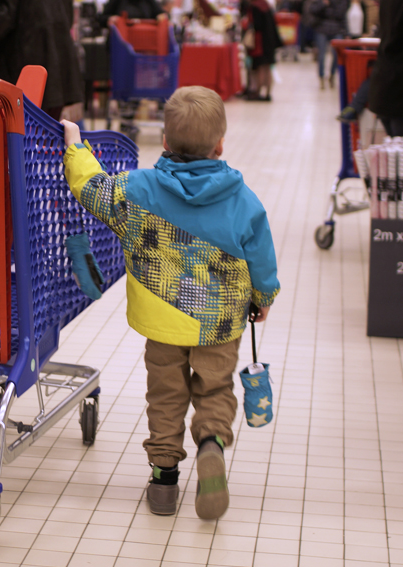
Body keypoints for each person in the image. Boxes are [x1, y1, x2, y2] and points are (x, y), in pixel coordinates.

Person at [61, 86, 280, 520]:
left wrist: (76, 146)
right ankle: (212, 443)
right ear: (220, 144)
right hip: (219, 323)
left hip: (162, 321)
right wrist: (263, 297)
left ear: (163, 141)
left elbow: (91, 188)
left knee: (165, 394)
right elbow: (261, 258)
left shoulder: (137, 189)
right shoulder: (243, 201)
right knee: (214, 387)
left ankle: (163, 479)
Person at [0, 0, 83, 120]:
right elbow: (69, 16)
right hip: (57, 67)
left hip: (23, 69)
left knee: (19, 132)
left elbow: (0, 21)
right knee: (46, 131)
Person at [367, 0, 403, 137]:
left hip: (390, 66)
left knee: (391, 116)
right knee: (392, 117)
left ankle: (400, 154)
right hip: (398, 65)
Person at [243, 0, 283, 101]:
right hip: (270, 42)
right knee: (268, 67)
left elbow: (257, 25)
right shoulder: (266, 6)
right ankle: (268, 93)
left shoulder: (255, 7)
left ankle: (258, 92)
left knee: (260, 67)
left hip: (260, 42)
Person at [309, 0, 348, 89]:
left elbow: (341, 14)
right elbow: (313, 10)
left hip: (336, 29)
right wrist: (323, 4)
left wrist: (346, 32)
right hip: (321, 29)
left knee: (336, 55)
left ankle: (332, 74)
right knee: (321, 55)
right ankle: (321, 77)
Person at [100, 0, 165, 24]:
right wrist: (110, 18)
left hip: (146, 41)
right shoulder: (117, 1)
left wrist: (161, 16)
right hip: (120, 42)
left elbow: (161, 14)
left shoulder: (149, 2)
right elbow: (101, 17)